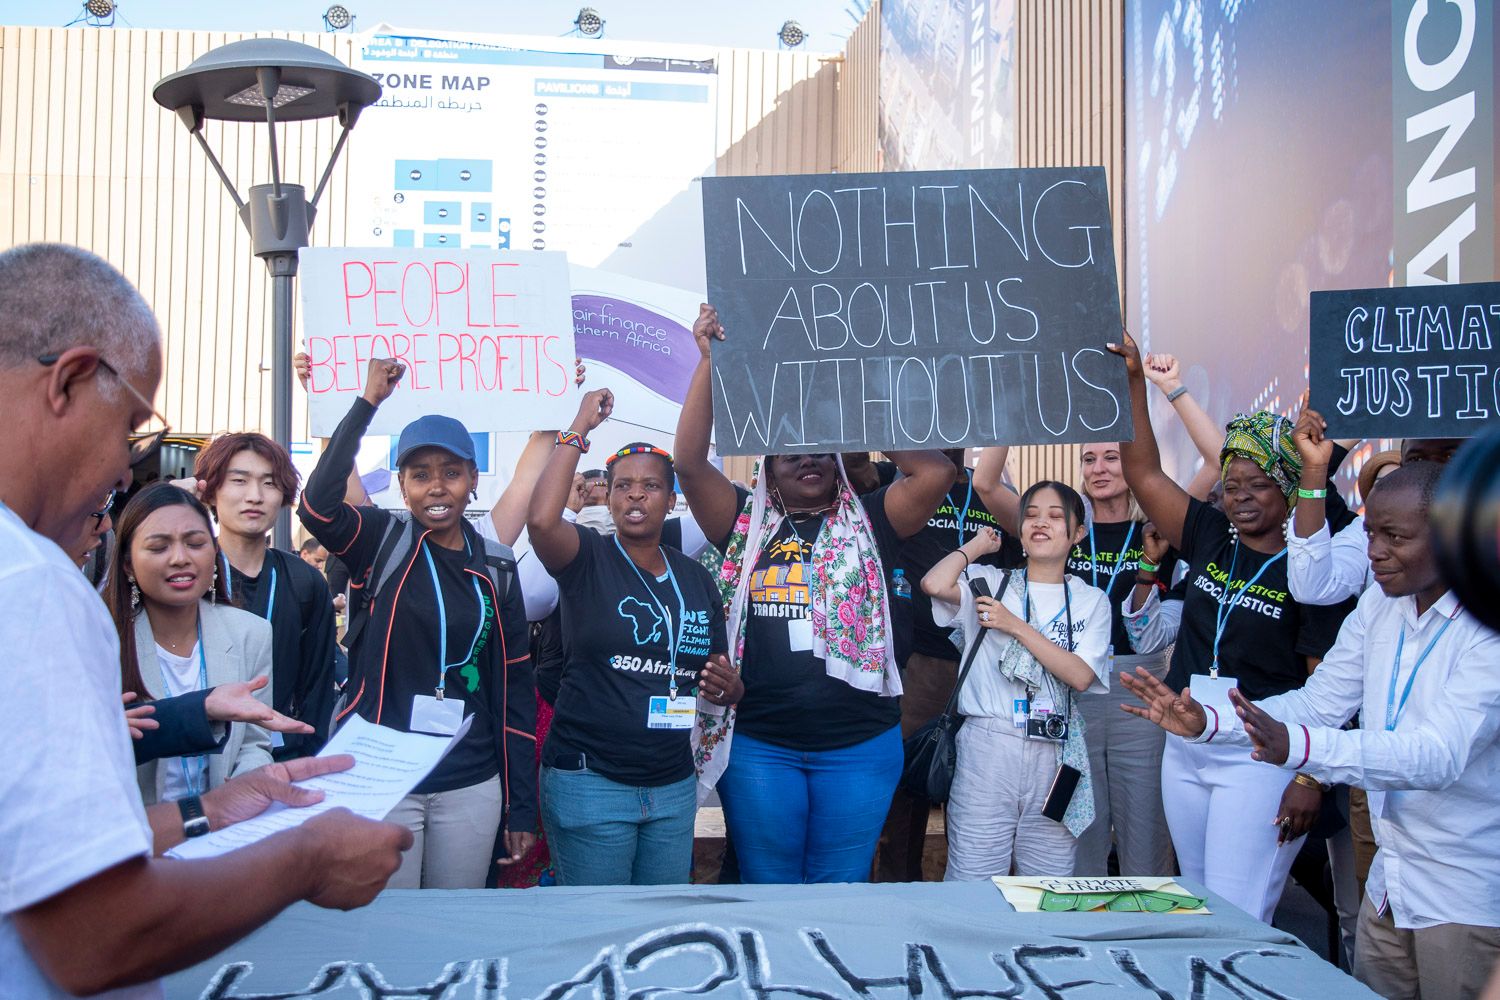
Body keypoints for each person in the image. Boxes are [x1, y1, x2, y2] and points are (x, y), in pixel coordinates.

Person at [0, 242, 410, 998]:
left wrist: (212, 810)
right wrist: (306, 859)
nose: (125, 472)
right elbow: (94, 935)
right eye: (130, 427)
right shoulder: (31, 587)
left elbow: (30, 855)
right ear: (69, 380)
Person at [1121, 461, 1500, 999]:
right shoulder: (1379, 604)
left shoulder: (1488, 627)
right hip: (1393, 885)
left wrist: (1298, 752)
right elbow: (1321, 700)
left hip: (1463, 893)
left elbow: (1437, 755)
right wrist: (1211, 724)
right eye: (1370, 534)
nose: (1375, 553)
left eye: (1396, 538)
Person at [675, 304, 953, 884]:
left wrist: (855, 396)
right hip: (760, 746)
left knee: (841, 886)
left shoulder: (875, 520)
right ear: (768, 466)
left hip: (860, 746)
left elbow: (935, 475)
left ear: (841, 461)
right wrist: (707, 363)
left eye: (821, 448)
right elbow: (688, 461)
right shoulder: (741, 520)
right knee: (768, 884)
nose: (807, 458)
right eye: (791, 450)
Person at [298, 356, 537, 889]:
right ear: (402, 485)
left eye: (451, 474)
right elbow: (315, 508)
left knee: (455, 927)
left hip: (469, 782)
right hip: (383, 776)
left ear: (473, 481)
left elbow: (513, 688)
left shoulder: (495, 565)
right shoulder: (378, 540)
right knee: (386, 926)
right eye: (421, 475)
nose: (437, 488)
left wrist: (521, 806)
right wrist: (366, 404)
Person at [1109, 332, 1321, 922]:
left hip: (1261, 751)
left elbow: (1327, 681)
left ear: (1287, 487)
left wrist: (1312, 777)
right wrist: (1133, 381)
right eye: (1231, 486)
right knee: (1196, 904)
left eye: (1258, 486)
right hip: (1186, 738)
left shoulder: (1314, 568)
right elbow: (1144, 471)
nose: (1241, 499)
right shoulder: (1208, 534)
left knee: (1241, 912)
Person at [527, 389, 738, 885]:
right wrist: (579, 426)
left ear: (670, 498)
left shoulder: (697, 578)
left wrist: (730, 688)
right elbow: (540, 520)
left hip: (671, 788)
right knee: (596, 929)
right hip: (590, 782)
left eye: (650, 486)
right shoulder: (587, 557)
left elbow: (720, 672)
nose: (636, 495)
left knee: (659, 929)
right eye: (623, 486)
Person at [923, 483, 1112, 879]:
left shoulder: (1091, 599)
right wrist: (975, 546)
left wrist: (1014, 625)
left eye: (1056, 515)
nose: (1041, 522)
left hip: (1057, 751)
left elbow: (1079, 675)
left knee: (1048, 880)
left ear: (1078, 533)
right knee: (972, 876)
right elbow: (934, 585)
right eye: (1031, 514)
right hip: (988, 745)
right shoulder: (991, 583)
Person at [878, 447, 1023, 882]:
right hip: (920, 664)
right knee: (906, 787)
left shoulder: (992, 491)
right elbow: (855, 465)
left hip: (987, 662)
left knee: (989, 788)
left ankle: (987, 891)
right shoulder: (896, 478)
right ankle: (898, 892)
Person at [102, 483, 275, 804]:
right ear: (128, 564)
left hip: (225, 831)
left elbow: (254, 743)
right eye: (158, 548)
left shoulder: (252, 633)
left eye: (195, 543)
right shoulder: (103, 639)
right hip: (140, 834)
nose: (180, 558)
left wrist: (243, 789)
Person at [1060, 441, 1180, 877]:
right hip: (1075, 681)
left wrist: (1172, 389)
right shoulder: (1066, 529)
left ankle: (1147, 932)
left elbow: (1208, 469)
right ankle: (1082, 930)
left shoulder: (1159, 527)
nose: (1099, 468)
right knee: (1078, 821)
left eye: (1112, 457)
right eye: (1089, 459)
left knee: (1145, 818)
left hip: (1140, 681)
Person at [191, 432, 338, 757]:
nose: (254, 496)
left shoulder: (305, 582)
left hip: (282, 755)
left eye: (269, 483)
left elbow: (316, 688)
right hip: (199, 750)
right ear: (211, 491)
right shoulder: (189, 576)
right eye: (239, 481)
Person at [1288, 436, 1464, 607]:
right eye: (1416, 459)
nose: (1428, 472)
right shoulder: (1373, 605)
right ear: (1402, 465)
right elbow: (1311, 587)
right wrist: (1315, 468)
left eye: (1450, 457)